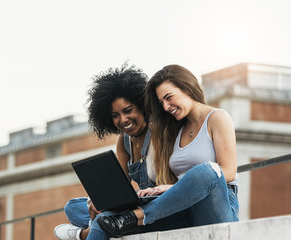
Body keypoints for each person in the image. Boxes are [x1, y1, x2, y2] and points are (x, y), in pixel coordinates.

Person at [92, 64, 239, 239]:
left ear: (187, 88)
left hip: (216, 206)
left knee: (207, 170)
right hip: (182, 208)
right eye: (161, 102)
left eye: (169, 98)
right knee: (92, 213)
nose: (167, 106)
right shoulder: (176, 128)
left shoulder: (217, 118)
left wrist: (173, 188)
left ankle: (136, 217)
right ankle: (93, 229)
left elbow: (228, 172)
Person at [54, 63, 188, 240]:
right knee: (73, 206)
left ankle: (85, 233)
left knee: (105, 219)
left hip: (160, 208)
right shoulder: (123, 141)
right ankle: (95, 225)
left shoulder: (161, 132)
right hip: (136, 205)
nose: (122, 120)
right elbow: (120, 187)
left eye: (127, 110)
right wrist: (99, 200)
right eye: (115, 115)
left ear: (142, 105)